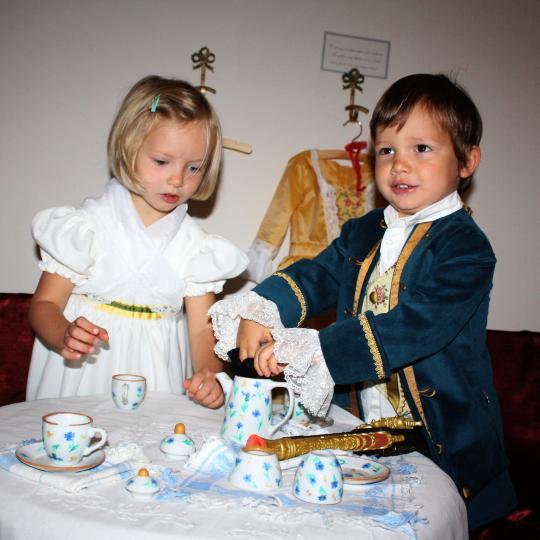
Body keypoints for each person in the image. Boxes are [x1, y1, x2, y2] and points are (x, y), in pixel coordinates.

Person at [210, 74, 516, 530]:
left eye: (422, 149)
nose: (400, 165)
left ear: (468, 161)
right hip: (362, 429)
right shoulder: (365, 229)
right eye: (387, 150)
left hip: (443, 439)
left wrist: (315, 349)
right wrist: (262, 308)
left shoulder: (467, 250)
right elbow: (318, 274)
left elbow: (414, 326)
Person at [27, 75, 248, 407]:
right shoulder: (87, 227)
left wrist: (209, 374)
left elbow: (203, 332)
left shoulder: (196, 248)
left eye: (193, 168)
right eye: (162, 161)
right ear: (128, 149)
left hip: (156, 376)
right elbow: (44, 306)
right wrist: (63, 334)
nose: (177, 179)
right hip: (80, 372)